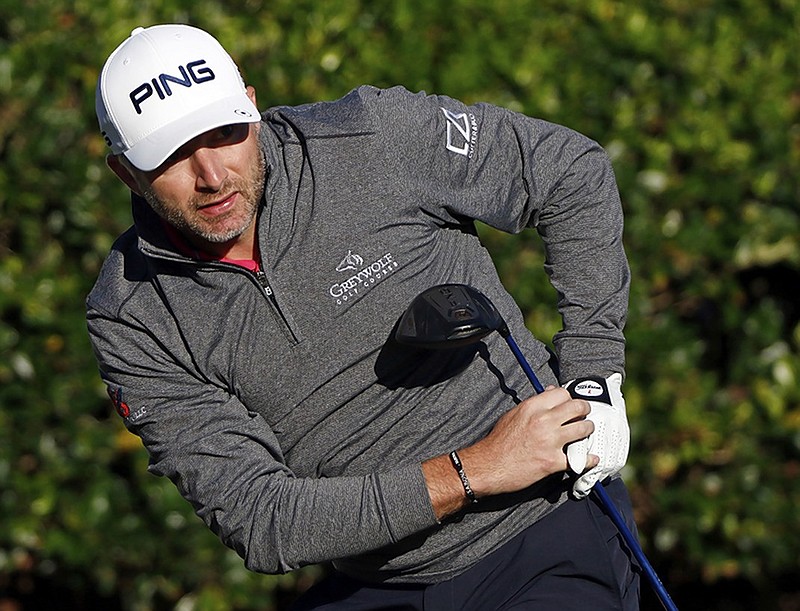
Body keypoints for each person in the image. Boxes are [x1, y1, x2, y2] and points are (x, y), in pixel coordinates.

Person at [88, 23, 639, 610]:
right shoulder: (131, 315)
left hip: (542, 531)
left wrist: (593, 375)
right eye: (174, 156)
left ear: (250, 105)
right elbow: (262, 519)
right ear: (125, 172)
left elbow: (569, 172)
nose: (213, 176)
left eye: (225, 133)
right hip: (378, 582)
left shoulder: (371, 137)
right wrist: (474, 469)